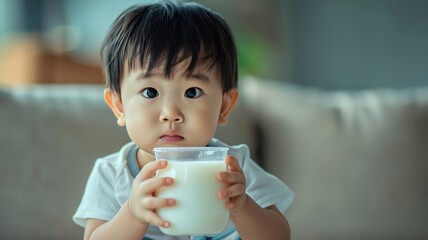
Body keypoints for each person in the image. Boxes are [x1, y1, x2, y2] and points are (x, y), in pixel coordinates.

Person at [73, 1, 294, 239]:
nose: (171, 113)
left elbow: (279, 236)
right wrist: (133, 214)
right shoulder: (111, 173)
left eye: (192, 92)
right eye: (150, 92)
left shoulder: (233, 167)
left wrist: (243, 207)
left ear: (224, 106)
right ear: (119, 106)